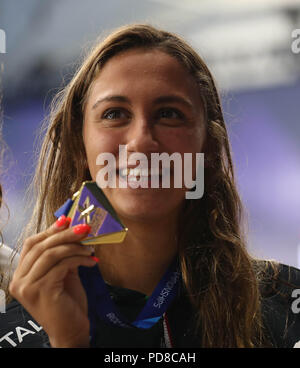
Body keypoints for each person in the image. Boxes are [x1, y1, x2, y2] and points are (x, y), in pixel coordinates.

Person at [5, 24, 300, 348]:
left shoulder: (286, 305)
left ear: (207, 150)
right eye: (115, 113)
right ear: (80, 146)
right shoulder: (20, 323)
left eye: (169, 114)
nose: (142, 141)